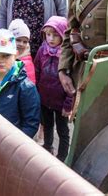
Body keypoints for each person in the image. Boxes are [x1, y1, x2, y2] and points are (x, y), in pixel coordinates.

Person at [0, 29, 41, 138]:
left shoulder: (25, 87)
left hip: (10, 144)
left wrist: (14, 146)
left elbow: (31, 123)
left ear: (15, 55)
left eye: (6, 55)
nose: (1, 60)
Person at [34, 16, 71, 161]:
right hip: (45, 100)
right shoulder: (42, 50)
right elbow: (37, 70)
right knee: (47, 125)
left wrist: (68, 104)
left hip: (61, 103)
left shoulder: (67, 56)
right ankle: (47, 147)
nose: (51, 38)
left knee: (63, 131)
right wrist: (37, 94)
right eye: (48, 34)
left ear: (63, 34)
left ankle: (62, 157)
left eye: (55, 34)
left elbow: (71, 83)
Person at [8, 19, 36, 83]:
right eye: (18, 40)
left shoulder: (26, 61)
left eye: (25, 42)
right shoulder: (5, 57)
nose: (21, 44)